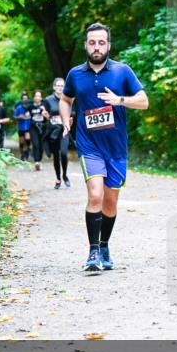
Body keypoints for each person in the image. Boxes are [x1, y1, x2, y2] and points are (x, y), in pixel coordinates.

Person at [59, 23, 149, 272]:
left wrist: (119, 100)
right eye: (92, 42)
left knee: (110, 202)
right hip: (89, 146)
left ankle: (105, 245)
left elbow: (144, 102)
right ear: (86, 45)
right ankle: (93, 252)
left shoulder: (123, 72)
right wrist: (66, 118)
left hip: (116, 148)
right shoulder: (75, 74)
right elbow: (66, 99)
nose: (96, 47)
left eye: (101, 42)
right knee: (95, 195)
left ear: (108, 45)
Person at [43, 77, 75, 190]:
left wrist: (69, 118)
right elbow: (44, 113)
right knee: (56, 155)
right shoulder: (48, 100)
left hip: (64, 130)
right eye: (58, 85)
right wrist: (45, 115)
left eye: (62, 86)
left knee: (64, 153)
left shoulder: (68, 99)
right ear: (54, 87)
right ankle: (58, 178)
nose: (60, 88)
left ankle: (65, 175)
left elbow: (73, 112)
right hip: (53, 131)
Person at [29, 90, 46, 170]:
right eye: (36, 96)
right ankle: (36, 162)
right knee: (35, 144)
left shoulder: (44, 105)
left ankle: (40, 161)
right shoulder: (30, 106)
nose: (37, 97)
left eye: (39, 96)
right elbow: (27, 115)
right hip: (33, 127)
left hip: (42, 127)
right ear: (34, 97)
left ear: (41, 97)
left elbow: (48, 116)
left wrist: (44, 111)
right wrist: (26, 115)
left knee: (41, 145)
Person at [13, 92, 32, 161]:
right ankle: (22, 154)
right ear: (21, 100)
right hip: (21, 127)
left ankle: (28, 150)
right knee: (21, 142)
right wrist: (19, 117)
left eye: (26, 98)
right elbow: (14, 117)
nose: (25, 100)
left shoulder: (30, 107)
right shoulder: (19, 108)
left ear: (28, 99)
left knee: (27, 139)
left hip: (28, 126)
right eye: (23, 98)